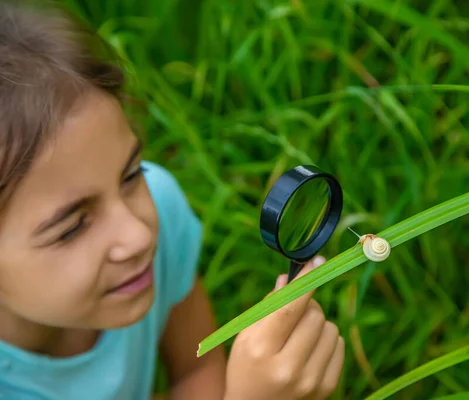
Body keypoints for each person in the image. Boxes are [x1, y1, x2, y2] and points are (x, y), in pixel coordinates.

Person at [0, 1, 345, 399]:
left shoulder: (157, 205)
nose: (139, 235)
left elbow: (196, 369)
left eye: (131, 174)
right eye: (72, 226)